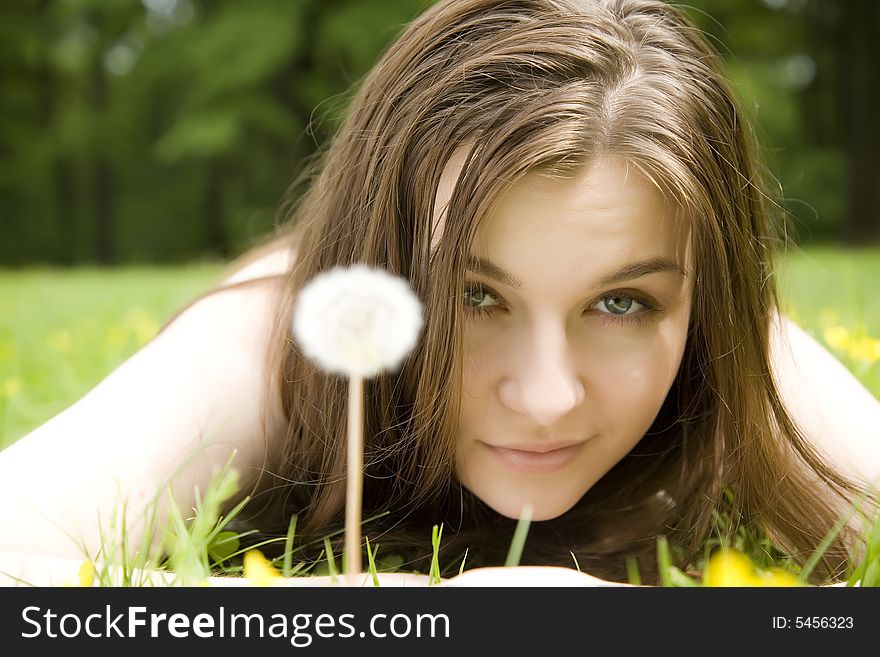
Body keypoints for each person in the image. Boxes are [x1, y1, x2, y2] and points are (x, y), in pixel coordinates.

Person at [1, 0, 879, 587]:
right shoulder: (267, 340)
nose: (546, 396)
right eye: (474, 296)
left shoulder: (730, 352)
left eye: (621, 304)